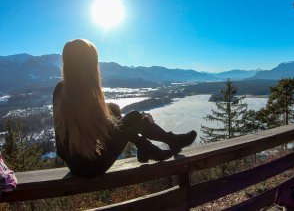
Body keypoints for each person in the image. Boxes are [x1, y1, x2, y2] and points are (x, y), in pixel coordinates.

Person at [53, 39, 197, 177]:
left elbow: (62, 145)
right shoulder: (86, 92)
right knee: (132, 117)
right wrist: (142, 123)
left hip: (78, 165)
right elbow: (107, 128)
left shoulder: (62, 90)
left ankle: (150, 148)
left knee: (115, 110)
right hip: (92, 166)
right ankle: (160, 145)